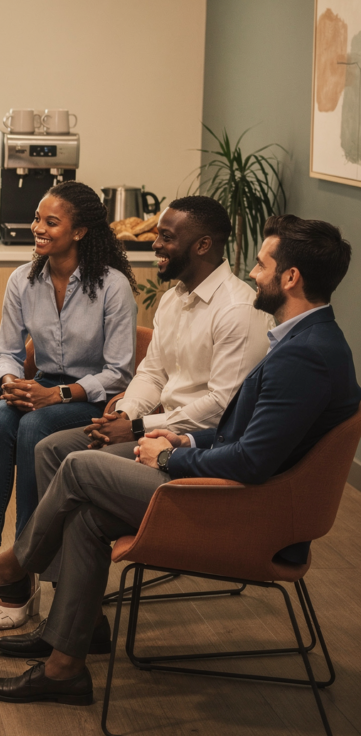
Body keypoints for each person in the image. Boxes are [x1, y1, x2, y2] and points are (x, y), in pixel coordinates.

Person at [0, 215, 360, 707]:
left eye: (262, 264)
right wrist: (186, 442)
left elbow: (253, 463)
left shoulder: (306, 355)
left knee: (79, 467)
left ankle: (12, 567)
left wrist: (171, 456)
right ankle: (65, 663)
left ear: (291, 278)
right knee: (88, 518)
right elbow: (248, 436)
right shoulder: (307, 342)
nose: (254, 273)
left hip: (246, 511)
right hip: (230, 485)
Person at [27, 196, 271, 587]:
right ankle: (57, 587)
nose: (155, 244)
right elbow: (153, 373)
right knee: (51, 448)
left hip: (199, 447)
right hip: (156, 431)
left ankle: (22, 570)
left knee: (75, 463)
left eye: (166, 237)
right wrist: (127, 414)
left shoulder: (238, 310)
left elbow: (222, 408)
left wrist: (139, 427)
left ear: (203, 245)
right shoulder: (173, 300)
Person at [0, 181, 138, 631]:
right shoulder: (23, 279)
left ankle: (22, 570)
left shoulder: (112, 286)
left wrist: (56, 395)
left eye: (50, 222)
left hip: (92, 399)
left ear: (79, 232)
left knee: (34, 427)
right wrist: (9, 381)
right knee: (0, 418)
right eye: (37, 220)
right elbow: (5, 350)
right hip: (38, 388)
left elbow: (118, 371)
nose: (37, 229)